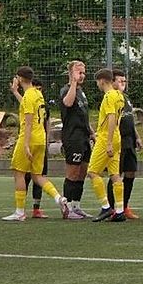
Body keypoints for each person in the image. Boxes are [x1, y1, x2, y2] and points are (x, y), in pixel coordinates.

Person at [2, 67, 68, 221]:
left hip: (29, 138)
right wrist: (15, 92)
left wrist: (25, 144)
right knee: (37, 175)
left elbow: (29, 122)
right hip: (40, 138)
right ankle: (59, 198)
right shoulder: (37, 94)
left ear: (20, 78)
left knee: (19, 173)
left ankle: (19, 212)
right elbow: (27, 106)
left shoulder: (29, 96)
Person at [87, 68, 127, 222]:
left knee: (93, 172)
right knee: (114, 174)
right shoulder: (119, 95)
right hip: (117, 136)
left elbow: (111, 118)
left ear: (102, 81)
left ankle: (106, 207)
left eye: (97, 82)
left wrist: (108, 142)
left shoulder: (109, 96)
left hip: (106, 138)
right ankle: (120, 210)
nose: (97, 84)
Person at [58, 60, 93, 220]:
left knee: (82, 173)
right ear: (71, 73)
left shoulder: (81, 92)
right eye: (79, 72)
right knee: (72, 173)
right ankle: (66, 207)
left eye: (83, 72)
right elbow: (68, 102)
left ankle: (76, 206)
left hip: (84, 138)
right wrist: (73, 83)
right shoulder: (66, 90)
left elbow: (83, 115)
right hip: (73, 138)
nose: (82, 75)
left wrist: (92, 133)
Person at [107, 70, 142, 219]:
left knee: (130, 173)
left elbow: (130, 119)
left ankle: (125, 205)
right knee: (116, 174)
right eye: (120, 81)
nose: (123, 84)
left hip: (129, 141)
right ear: (112, 82)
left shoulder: (125, 98)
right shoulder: (110, 97)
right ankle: (111, 208)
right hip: (118, 141)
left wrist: (137, 137)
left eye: (124, 81)